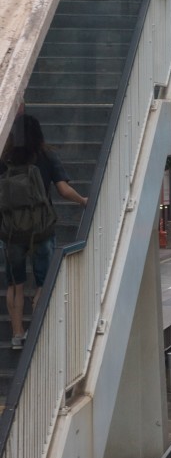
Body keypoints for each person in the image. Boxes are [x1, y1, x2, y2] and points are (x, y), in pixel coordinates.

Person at [1, 115, 88, 349]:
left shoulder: (5, 158)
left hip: (11, 232)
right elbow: (63, 190)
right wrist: (83, 201)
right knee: (44, 281)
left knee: (15, 285)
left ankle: (17, 334)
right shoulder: (46, 156)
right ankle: (38, 330)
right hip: (41, 229)